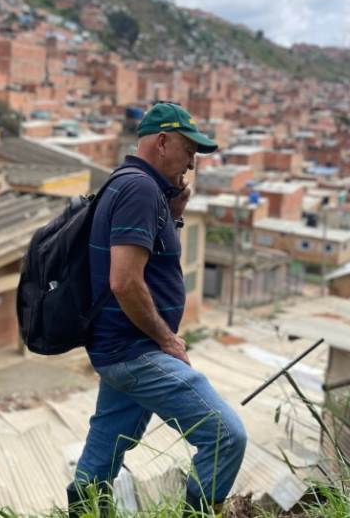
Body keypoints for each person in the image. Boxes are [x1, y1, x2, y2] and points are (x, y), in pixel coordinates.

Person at [67, 103, 247, 517]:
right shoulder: (141, 190)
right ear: (163, 142)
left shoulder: (130, 184)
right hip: (135, 350)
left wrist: (175, 215)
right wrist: (166, 338)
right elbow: (125, 281)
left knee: (104, 451)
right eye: (188, 151)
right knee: (225, 436)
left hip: (118, 346)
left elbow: (150, 262)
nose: (191, 164)